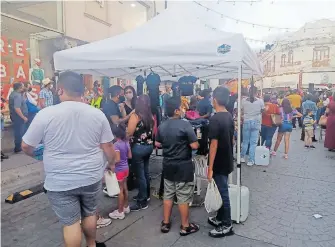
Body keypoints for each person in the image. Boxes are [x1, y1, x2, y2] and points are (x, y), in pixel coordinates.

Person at [21, 71, 116, 247]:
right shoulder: (97, 114)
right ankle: (92, 244)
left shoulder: (46, 114)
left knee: (71, 222)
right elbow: (108, 146)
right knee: (89, 214)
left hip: (60, 180)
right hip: (91, 175)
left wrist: (38, 155)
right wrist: (111, 164)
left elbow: (26, 146)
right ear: (82, 91)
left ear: (60, 90)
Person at [155, 97, 200, 236]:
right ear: (176, 110)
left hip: (168, 164)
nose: (183, 110)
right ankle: (185, 226)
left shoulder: (162, 126)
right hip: (183, 165)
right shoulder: (185, 125)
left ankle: (166, 223)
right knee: (183, 196)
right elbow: (194, 145)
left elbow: (157, 144)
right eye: (181, 107)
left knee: (168, 194)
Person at [207, 87, 234, 238]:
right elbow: (231, 139)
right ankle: (220, 218)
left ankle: (227, 224)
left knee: (223, 192)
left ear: (215, 100)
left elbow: (213, 145)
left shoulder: (215, 118)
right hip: (227, 158)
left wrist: (210, 168)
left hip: (219, 161)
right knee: (221, 189)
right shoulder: (228, 115)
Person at [127, 95, 154, 211]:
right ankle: (146, 195)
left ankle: (142, 201)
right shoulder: (150, 116)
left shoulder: (135, 116)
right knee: (146, 172)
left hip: (138, 148)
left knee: (140, 175)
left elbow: (129, 133)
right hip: (148, 146)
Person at [108, 124, 132, 220]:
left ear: (114, 135)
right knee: (125, 188)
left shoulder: (116, 145)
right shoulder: (126, 142)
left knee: (120, 190)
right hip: (126, 168)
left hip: (119, 170)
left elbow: (117, 160)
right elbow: (129, 156)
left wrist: (109, 164)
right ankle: (126, 206)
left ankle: (120, 211)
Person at [240, 86, 264, 166]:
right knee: (253, 143)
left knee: (245, 141)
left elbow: (241, 110)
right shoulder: (260, 101)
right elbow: (262, 111)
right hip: (256, 122)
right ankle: (251, 160)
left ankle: (242, 157)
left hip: (246, 121)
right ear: (256, 92)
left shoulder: (243, 100)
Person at [9, 82, 28, 153]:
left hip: (15, 117)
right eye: (23, 86)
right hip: (19, 117)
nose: (24, 88)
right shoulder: (17, 96)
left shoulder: (14, 94)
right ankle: (18, 148)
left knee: (18, 131)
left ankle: (18, 147)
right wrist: (23, 117)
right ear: (19, 88)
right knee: (19, 132)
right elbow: (17, 108)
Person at [1, 87, 9, 160]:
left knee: (1, 136)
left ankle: (1, 152)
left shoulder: (2, 100)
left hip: (1, 119)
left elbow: (6, 108)